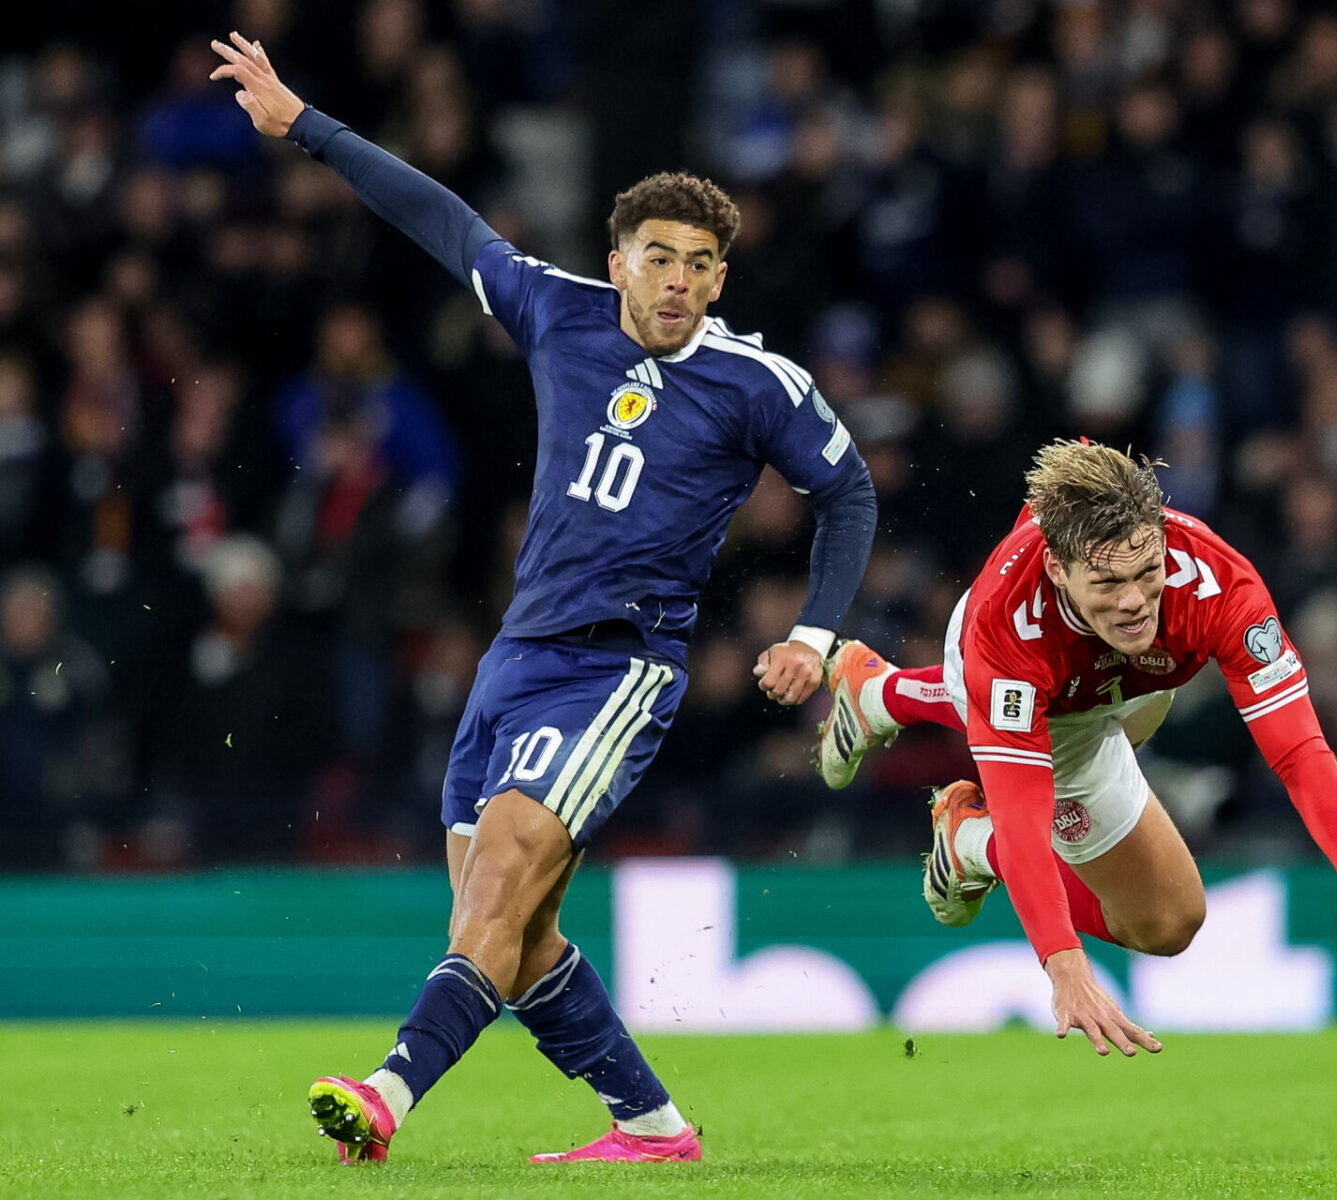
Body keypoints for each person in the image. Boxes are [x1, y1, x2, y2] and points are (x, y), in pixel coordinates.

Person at [209, 32, 876, 1164]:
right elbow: (438, 217)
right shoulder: (554, 310)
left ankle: (387, 1095)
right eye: (658, 255)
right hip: (514, 657)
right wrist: (305, 125)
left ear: (723, 276)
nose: (678, 279)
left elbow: (849, 493)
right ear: (618, 260)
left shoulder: (758, 382)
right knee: (506, 934)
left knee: (505, 880)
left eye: (700, 262)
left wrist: (814, 634)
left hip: (620, 665)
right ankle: (654, 1128)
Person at [817, 440, 1337, 1056]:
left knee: (1131, 695)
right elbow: (1024, 817)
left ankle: (877, 693)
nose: (1132, 601)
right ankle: (967, 843)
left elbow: (1300, 754)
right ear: (1058, 569)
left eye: (1147, 572)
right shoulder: (1005, 633)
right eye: (1107, 582)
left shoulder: (1219, 584)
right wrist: (1065, 966)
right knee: (1169, 920)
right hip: (1056, 706)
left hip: (1139, 682)